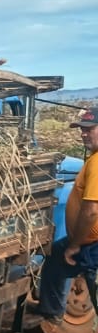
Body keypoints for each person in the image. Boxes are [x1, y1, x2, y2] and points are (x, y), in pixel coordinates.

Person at [35, 108, 98, 320]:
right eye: (82, 129)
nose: (83, 134)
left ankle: (52, 312)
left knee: (59, 258)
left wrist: (75, 245)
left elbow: (91, 211)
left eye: (90, 129)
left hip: (92, 244)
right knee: (54, 259)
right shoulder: (93, 159)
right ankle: (51, 312)